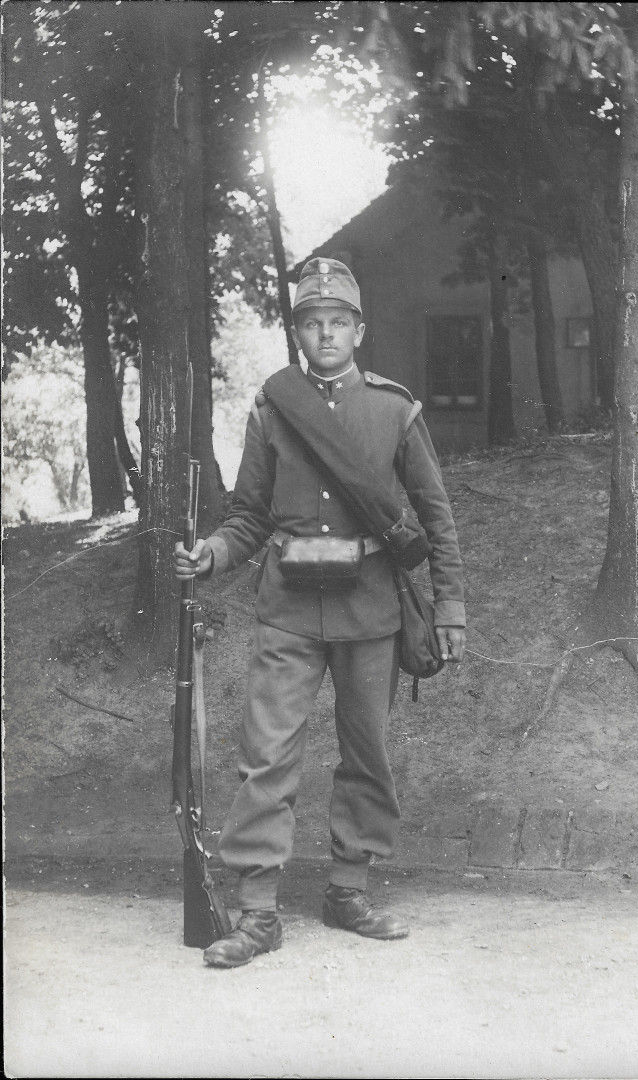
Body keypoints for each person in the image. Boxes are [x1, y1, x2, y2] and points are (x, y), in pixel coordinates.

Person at [174, 257, 466, 969]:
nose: (326, 333)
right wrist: (212, 553)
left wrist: (451, 606)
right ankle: (257, 913)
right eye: (313, 322)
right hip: (289, 611)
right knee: (266, 757)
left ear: (358, 330)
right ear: (298, 333)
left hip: (371, 607)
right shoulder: (273, 411)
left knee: (368, 754)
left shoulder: (396, 411)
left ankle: (348, 892)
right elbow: (248, 516)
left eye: (338, 322)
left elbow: (437, 517)